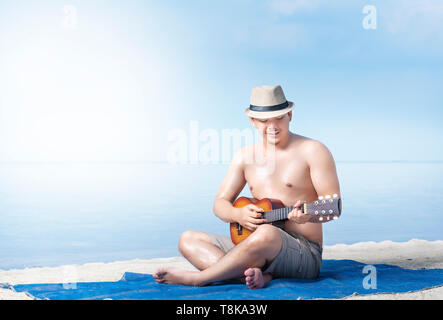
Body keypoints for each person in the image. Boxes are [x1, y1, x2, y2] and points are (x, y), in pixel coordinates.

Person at [154, 85, 341, 289]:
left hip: (304, 252)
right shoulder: (244, 156)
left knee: (267, 234)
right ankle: (248, 277)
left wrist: (309, 216)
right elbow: (219, 204)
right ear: (252, 121)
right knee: (188, 238)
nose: (272, 126)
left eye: (279, 118)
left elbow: (333, 207)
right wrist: (238, 215)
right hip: (255, 245)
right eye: (264, 120)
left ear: (290, 115)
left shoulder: (313, 150)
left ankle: (199, 279)